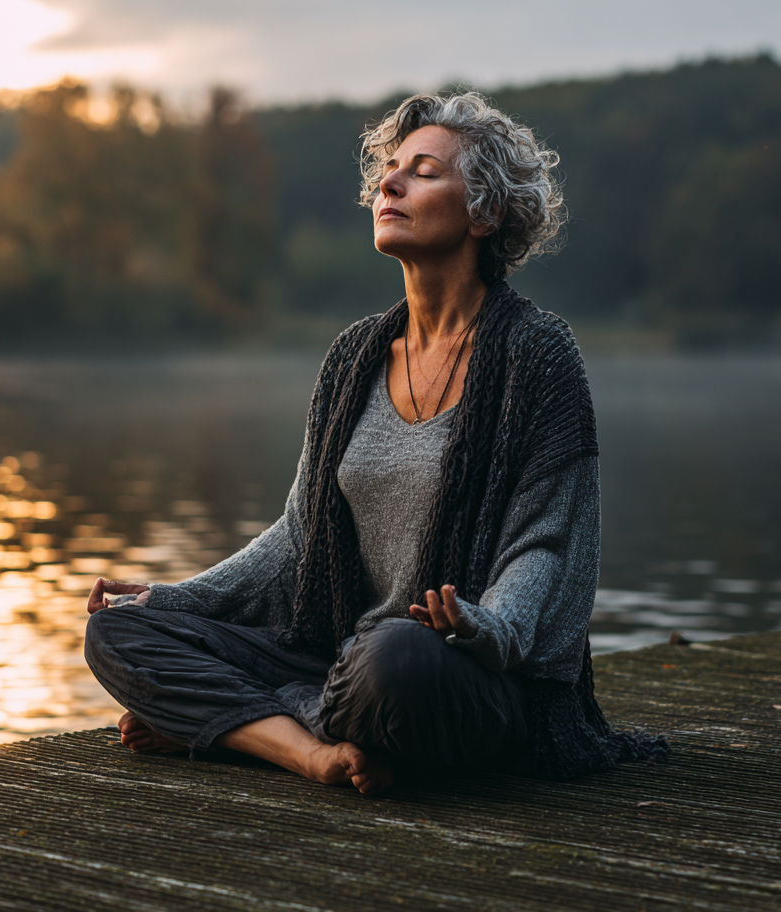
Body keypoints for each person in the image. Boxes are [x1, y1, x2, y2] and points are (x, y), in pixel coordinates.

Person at [84, 91, 668, 796]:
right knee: (117, 634)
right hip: (340, 661)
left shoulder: (538, 355)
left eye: (424, 172)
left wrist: (488, 626)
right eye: (389, 170)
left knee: (397, 660)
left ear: (485, 213)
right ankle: (310, 753)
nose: (390, 184)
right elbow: (296, 539)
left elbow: (544, 545)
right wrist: (173, 600)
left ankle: (232, 726)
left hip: (465, 672)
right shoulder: (353, 357)